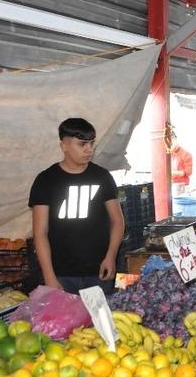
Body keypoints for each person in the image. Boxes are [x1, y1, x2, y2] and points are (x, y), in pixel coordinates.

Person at [29, 118, 125, 294]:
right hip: (61, 273)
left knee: (100, 320)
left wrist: (111, 257)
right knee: (67, 322)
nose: (89, 149)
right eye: (82, 144)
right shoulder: (46, 180)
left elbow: (117, 221)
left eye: (91, 143)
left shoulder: (102, 177)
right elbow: (40, 232)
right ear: (64, 145)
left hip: (99, 271)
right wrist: (49, 276)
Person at [166, 126, 193, 195]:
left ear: (175, 139)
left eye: (171, 143)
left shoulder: (186, 154)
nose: (170, 146)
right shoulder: (168, 154)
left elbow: (189, 172)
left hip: (182, 186)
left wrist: (172, 173)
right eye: (168, 144)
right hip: (170, 185)